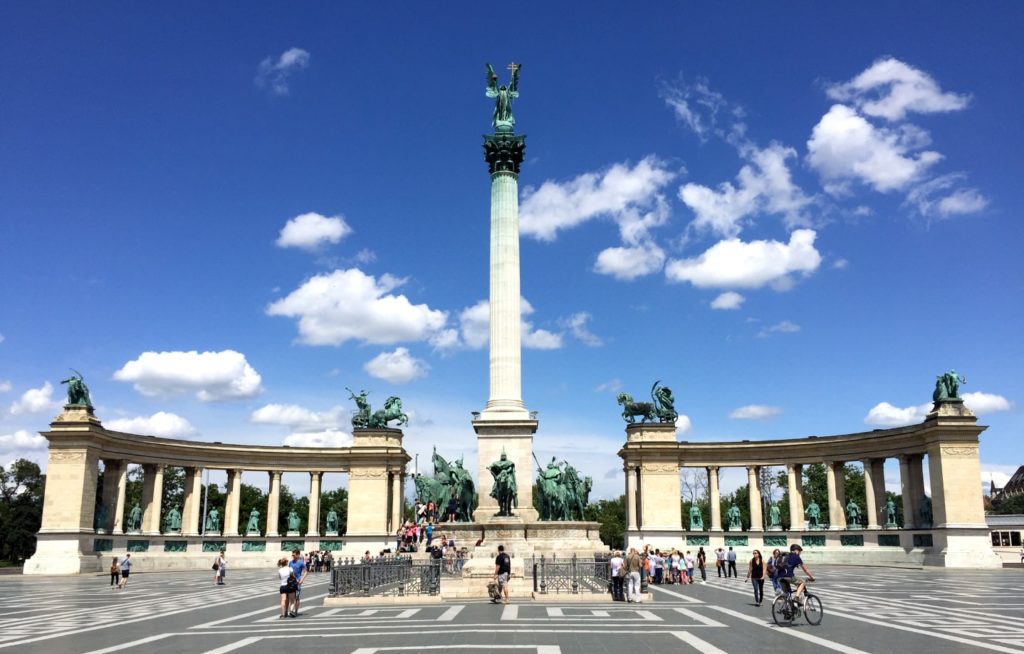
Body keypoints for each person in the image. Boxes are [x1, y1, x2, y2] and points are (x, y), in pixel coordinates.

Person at [289, 549, 308, 617]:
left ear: (298, 555)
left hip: (298, 582)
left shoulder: (301, 563)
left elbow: (306, 572)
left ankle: (295, 611)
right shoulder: (290, 562)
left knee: (297, 597)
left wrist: (302, 579)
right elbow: (289, 571)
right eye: (292, 555)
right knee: (291, 597)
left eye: (294, 555)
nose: (293, 556)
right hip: (291, 582)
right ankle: (291, 610)